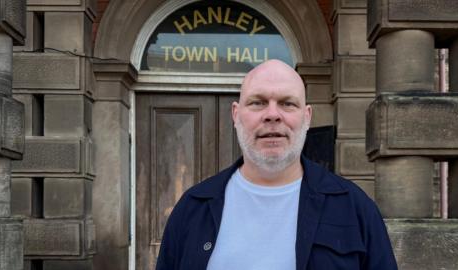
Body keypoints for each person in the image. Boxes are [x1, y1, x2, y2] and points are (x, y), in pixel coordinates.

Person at [156, 59, 397, 270]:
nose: (272, 114)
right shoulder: (192, 208)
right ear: (236, 115)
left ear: (307, 116)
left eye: (287, 103)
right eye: (258, 102)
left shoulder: (354, 208)